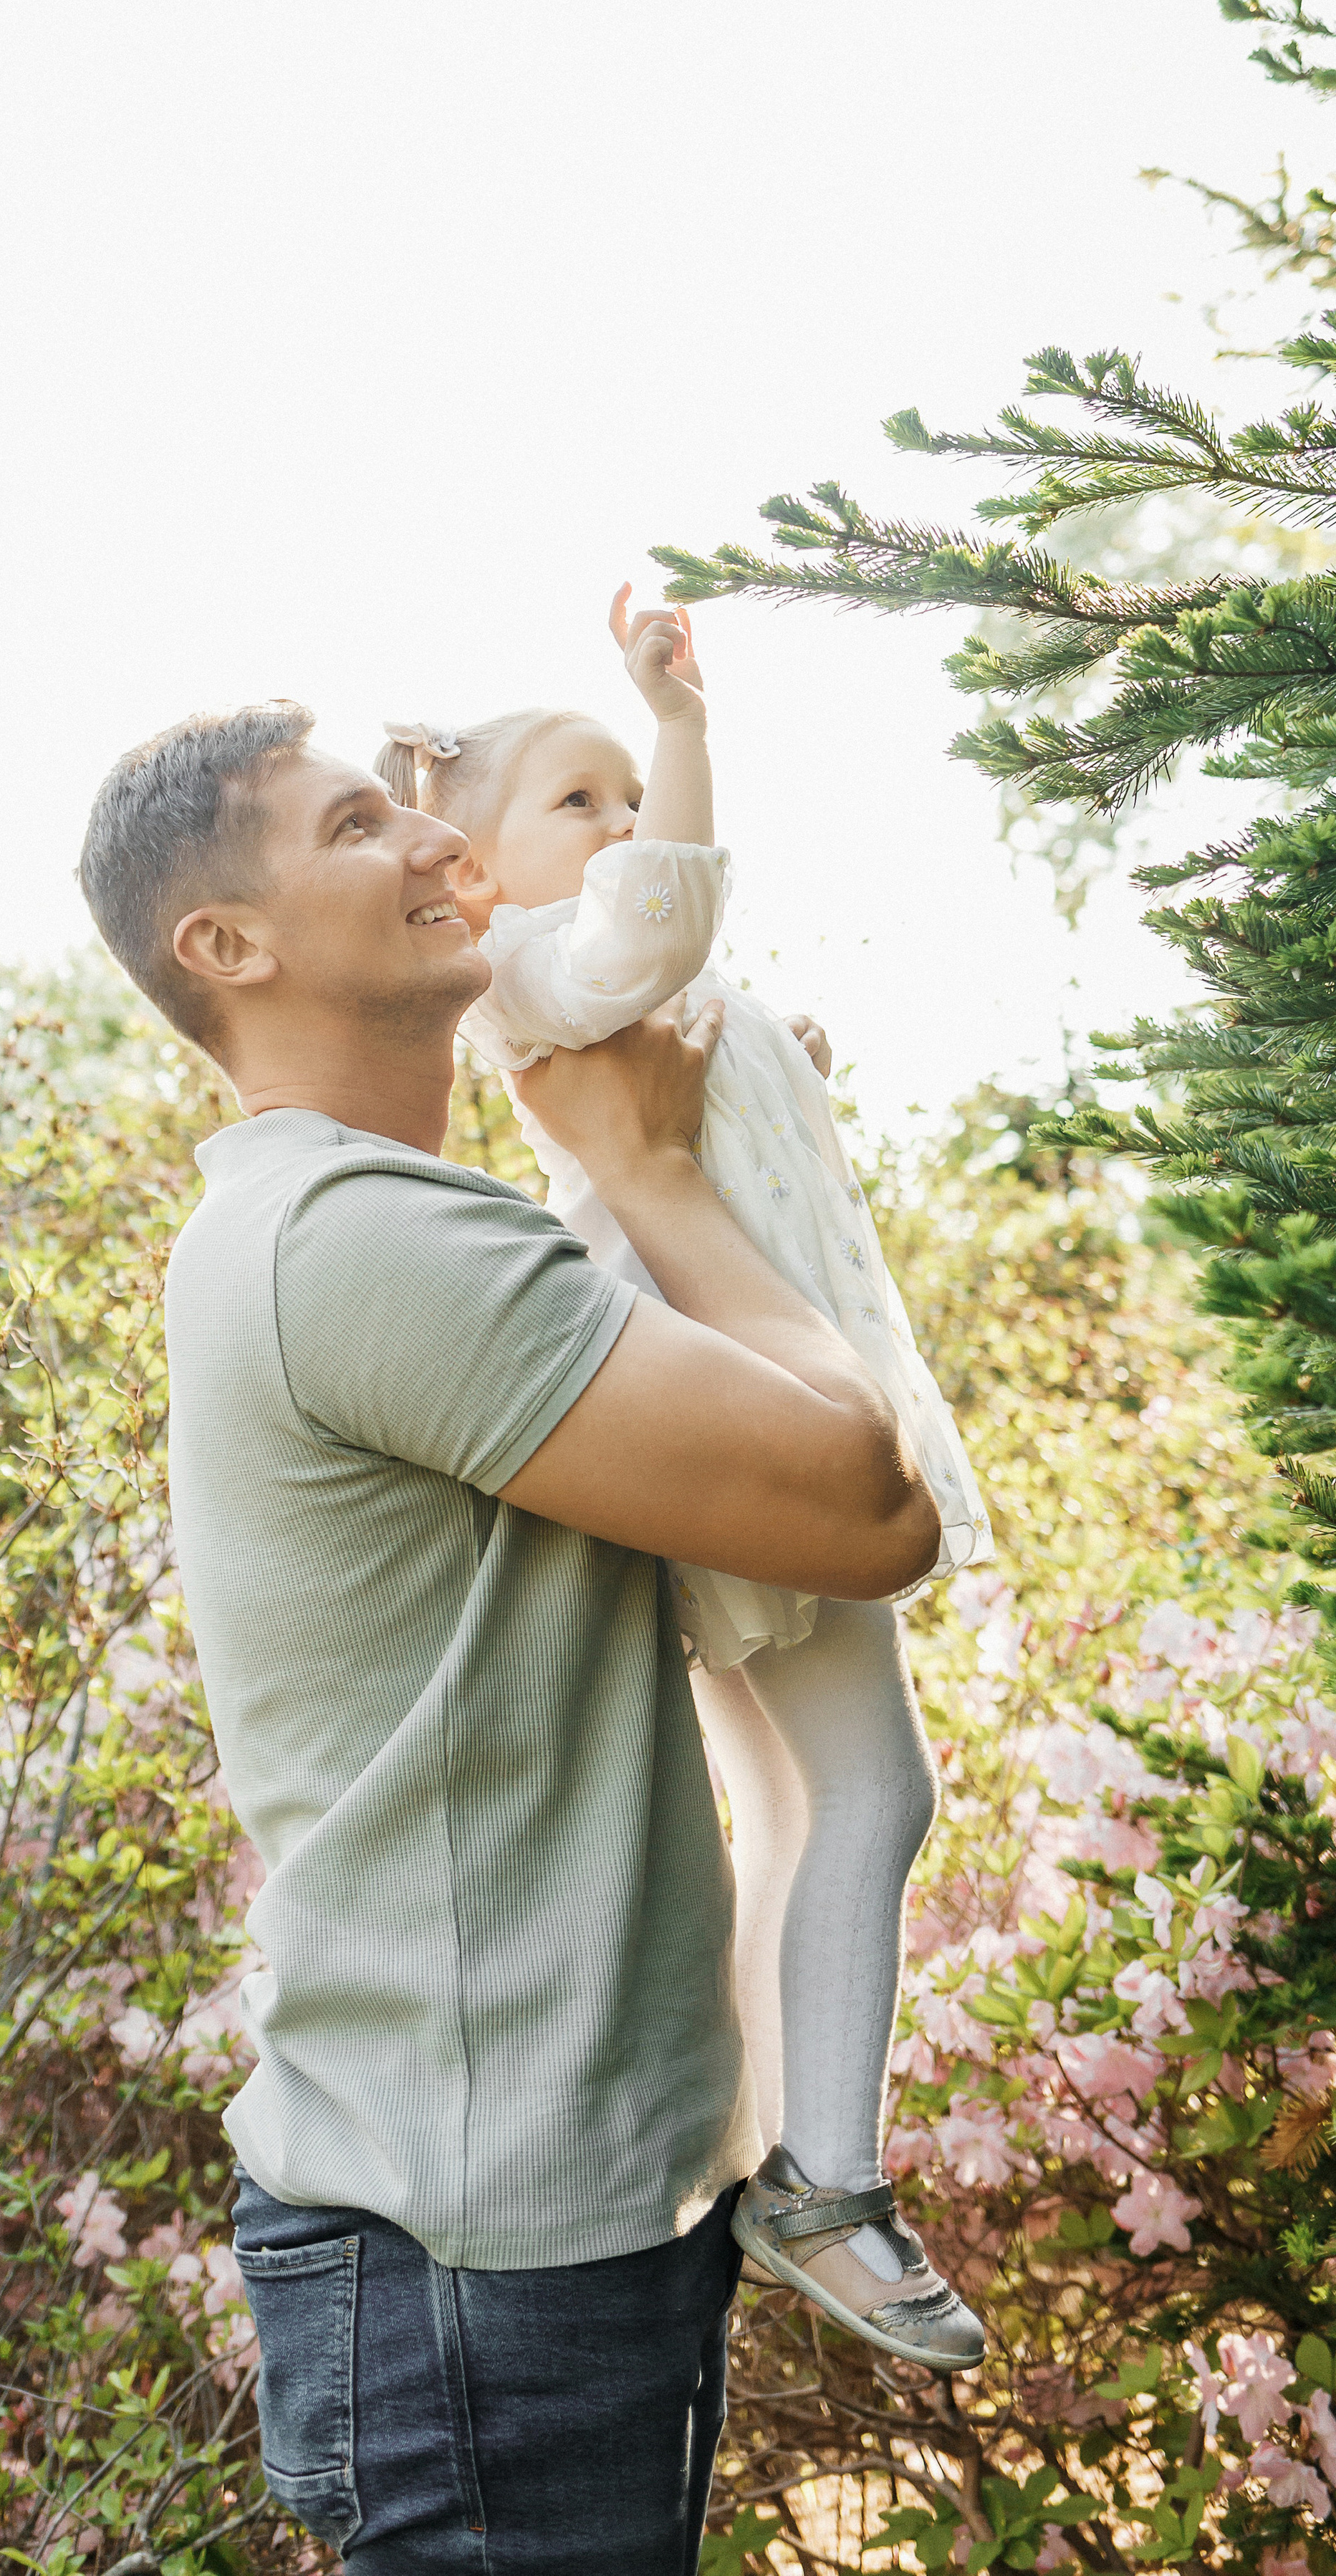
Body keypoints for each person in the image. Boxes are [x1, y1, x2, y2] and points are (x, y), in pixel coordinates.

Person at [75, 697, 950, 2573]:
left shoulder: (389, 1226)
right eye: (356, 827)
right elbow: (869, 1513)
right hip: (483, 2271)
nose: (432, 848)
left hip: (540, 2229)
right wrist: (651, 1174)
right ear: (223, 946)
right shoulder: (367, 1246)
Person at [376, 595, 989, 2365]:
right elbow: (665, 912)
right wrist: (677, 720)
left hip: (720, 1382)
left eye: (626, 793)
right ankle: (825, 2178)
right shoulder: (546, 969)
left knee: (810, 1802)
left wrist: (781, 1082)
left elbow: (674, 951)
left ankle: (774, 2159)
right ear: (477, 875)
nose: (627, 823)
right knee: (870, 1798)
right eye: (580, 799)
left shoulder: (613, 985)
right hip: (727, 1394)